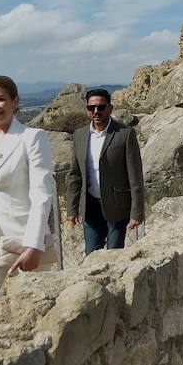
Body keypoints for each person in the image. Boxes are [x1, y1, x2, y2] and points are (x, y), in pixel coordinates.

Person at [0, 76, 57, 310]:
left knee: (34, 309)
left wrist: (34, 246)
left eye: (0, 99)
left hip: (23, 242)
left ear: (16, 102)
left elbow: (41, 194)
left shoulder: (31, 138)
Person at [66, 88, 145, 254]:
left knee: (113, 255)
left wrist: (136, 212)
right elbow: (74, 175)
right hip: (90, 207)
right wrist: (72, 209)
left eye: (101, 107)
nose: (96, 111)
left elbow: (135, 176)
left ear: (110, 108)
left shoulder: (125, 134)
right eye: (91, 108)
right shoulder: (79, 136)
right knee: (91, 255)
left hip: (117, 207)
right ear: (87, 109)